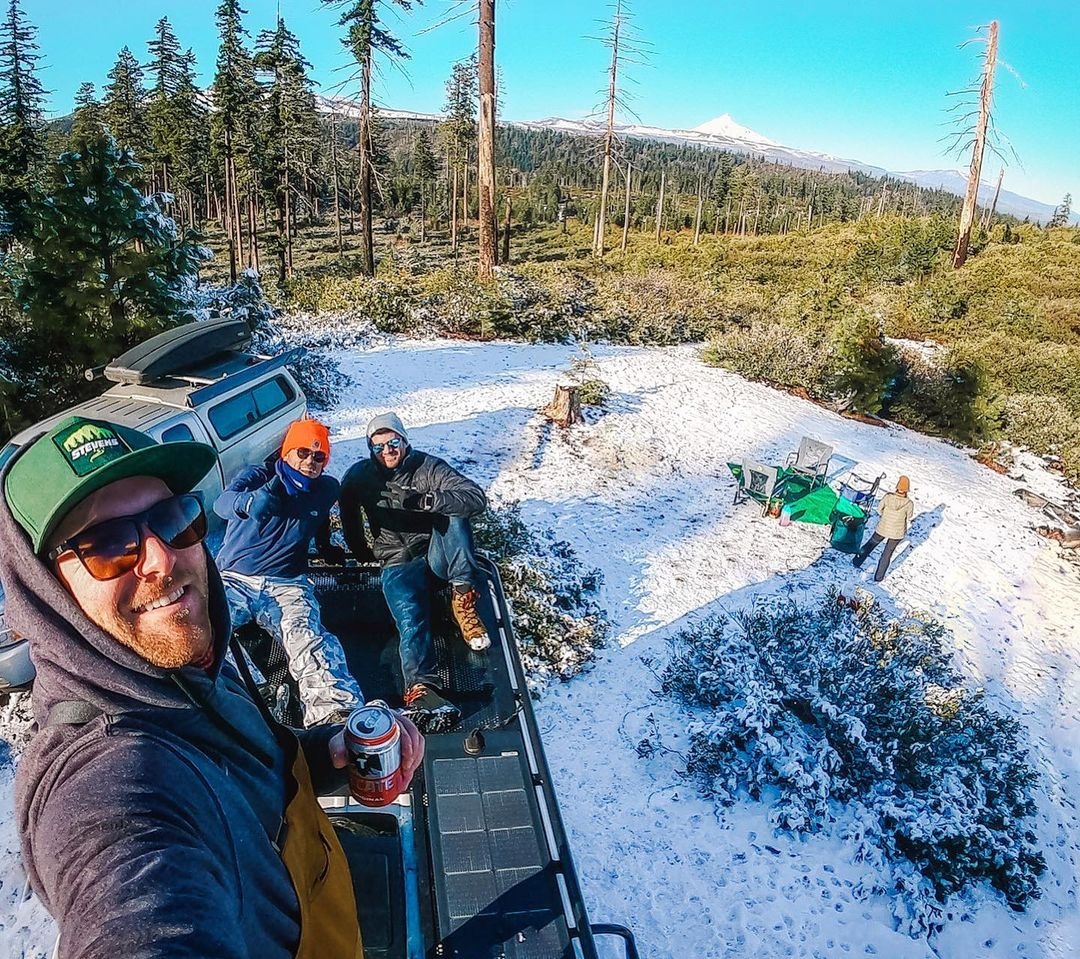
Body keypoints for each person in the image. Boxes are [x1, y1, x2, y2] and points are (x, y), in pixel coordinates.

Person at [0, 415, 423, 957]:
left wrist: (324, 755)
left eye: (173, 520)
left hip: (287, 581)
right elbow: (135, 898)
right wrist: (259, 503)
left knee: (309, 642)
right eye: (106, 545)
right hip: (247, 574)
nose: (160, 559)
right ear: (43, 590)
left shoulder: (189, 658)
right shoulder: (108, 779)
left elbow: (236, 761)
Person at [339, 413, 491, 731]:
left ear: (405, 441)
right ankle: (422, 689)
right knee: (411, 618)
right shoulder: (359, 477)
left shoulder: (428, 468)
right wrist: (360, 553)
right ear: (370, 448)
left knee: (454, 512)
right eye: (378, 446)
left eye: (393, 442)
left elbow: (476, 498)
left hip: (434, 558)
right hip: (396, 563)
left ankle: (463, 598)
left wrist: (429, 500)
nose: (387, 451)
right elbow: (349, 518)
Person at [214, 418, 362, 727]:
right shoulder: (258, 476)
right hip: (235, 577)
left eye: (319, 456)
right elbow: (221, 503)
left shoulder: (326, 489)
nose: (310, 462)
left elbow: (318, 516)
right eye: (303, 452)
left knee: (306, 636)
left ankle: (332, 712)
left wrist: (325, 547)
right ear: (287, 451)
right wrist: (248, 501)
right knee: (209, 630)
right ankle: (250, 695)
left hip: (287, 583)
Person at [852, 474, 915, 582]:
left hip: (883, 527)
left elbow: (879, 510)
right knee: (887, 554)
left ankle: (857, 561)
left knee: (870, 544)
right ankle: (878, 577)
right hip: (897, 533)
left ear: (897, 486)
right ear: (907, 490)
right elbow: (909, 517)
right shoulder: (909, 503)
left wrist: (885, 517)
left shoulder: (887, 497)